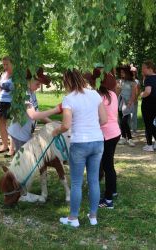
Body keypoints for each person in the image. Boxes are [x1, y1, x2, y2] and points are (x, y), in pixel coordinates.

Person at [52, 69, 107, 227]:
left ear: (67, 82)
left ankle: (73, 218)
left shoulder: (68, 99)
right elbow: (104, 120)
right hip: (97, 142)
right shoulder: (95, 94)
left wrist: (56, 131)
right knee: (93, 180)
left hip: (80, 143)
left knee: (76, 182)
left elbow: (66, 125)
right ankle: (93, 216)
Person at [8, 68, 60, 152]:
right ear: (30, 80)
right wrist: (55, 110)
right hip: (19, 135)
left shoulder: (32, 93)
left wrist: (52, 123)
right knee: (25, 160)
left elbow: (37, 113)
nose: (39, 86)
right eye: (37, 84)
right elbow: (33, 115)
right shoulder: (24, 94)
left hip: (25, 133)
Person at [97, 71, 121, 209]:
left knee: (107, 166)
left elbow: (99, 117)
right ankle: (113, 190)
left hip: (106, 134)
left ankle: (108, 200)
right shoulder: (112, 94)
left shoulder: (98, 97)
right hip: (115, 132)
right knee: (109, 164)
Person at [117, 66, 136, 146]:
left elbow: (133, 94)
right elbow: (117, 93)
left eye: (123, 72)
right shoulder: (119, 81)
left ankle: (130, 139)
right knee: (121, 121)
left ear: (127, 73)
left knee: (124, 121)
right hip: (120, 102)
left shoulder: (132, 83)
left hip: (128, 103)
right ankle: (124, 137)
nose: (121, 74)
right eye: (121, 72)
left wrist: (130, 103)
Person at [140, 60, 156, 152]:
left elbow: (148, 91)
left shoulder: (149, 78)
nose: (142, 70)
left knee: (148, 124)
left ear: (149, 68)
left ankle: (149, 144)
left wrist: (142, 95)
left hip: (148, 105)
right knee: (154, 124)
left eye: (143, 68)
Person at [130, 65, 140, 135]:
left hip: (134, 100)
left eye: (134, 72)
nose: (133, 73)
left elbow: (138, 91)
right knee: (128, 116)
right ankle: (129, 130)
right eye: (132, 71)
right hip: (127, 100)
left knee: (134, 115)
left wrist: (135, 99)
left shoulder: (137, 81)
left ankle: (134, 130)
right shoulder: (127, 80)